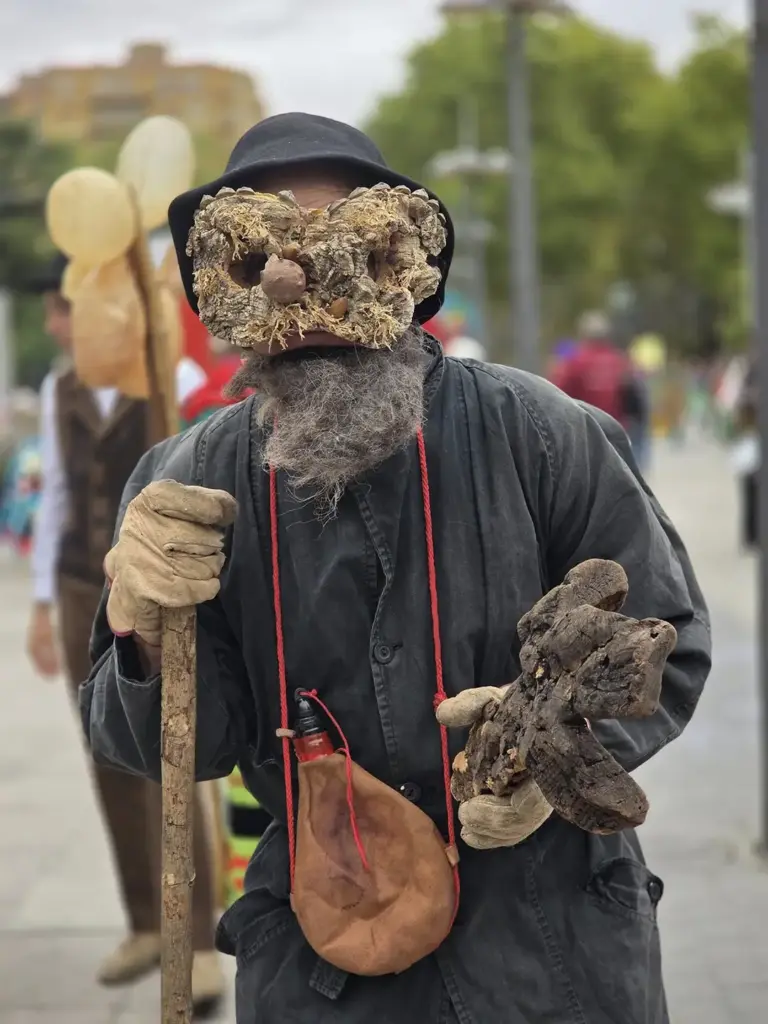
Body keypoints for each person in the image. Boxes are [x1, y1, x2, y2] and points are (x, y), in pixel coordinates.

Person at [81, 113, 711, 1024]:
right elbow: (171, 751)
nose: (310, 303)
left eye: (349, 255)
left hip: (551, 955)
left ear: (403, 265)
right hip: (323, 964)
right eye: (265, 264)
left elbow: (669, 640)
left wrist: (551, 759)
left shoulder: (541, 434)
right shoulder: (185, 482)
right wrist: (140, 629)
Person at [24, 254, 225, 1011]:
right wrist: (43, 607)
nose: (54, 325)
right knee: (104, 753)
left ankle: (199, 938)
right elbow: (58, 500)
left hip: (151, 590)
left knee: (168, 752)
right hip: (81, 584)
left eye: (63, 309)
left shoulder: (165, 377)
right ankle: (145, 919)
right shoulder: (60, 387)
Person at [553, 311, 651, 469]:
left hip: (584, 430)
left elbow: (556, 392)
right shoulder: (619, 360)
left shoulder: (575, 361)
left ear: (584, 334)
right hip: (615, 428)